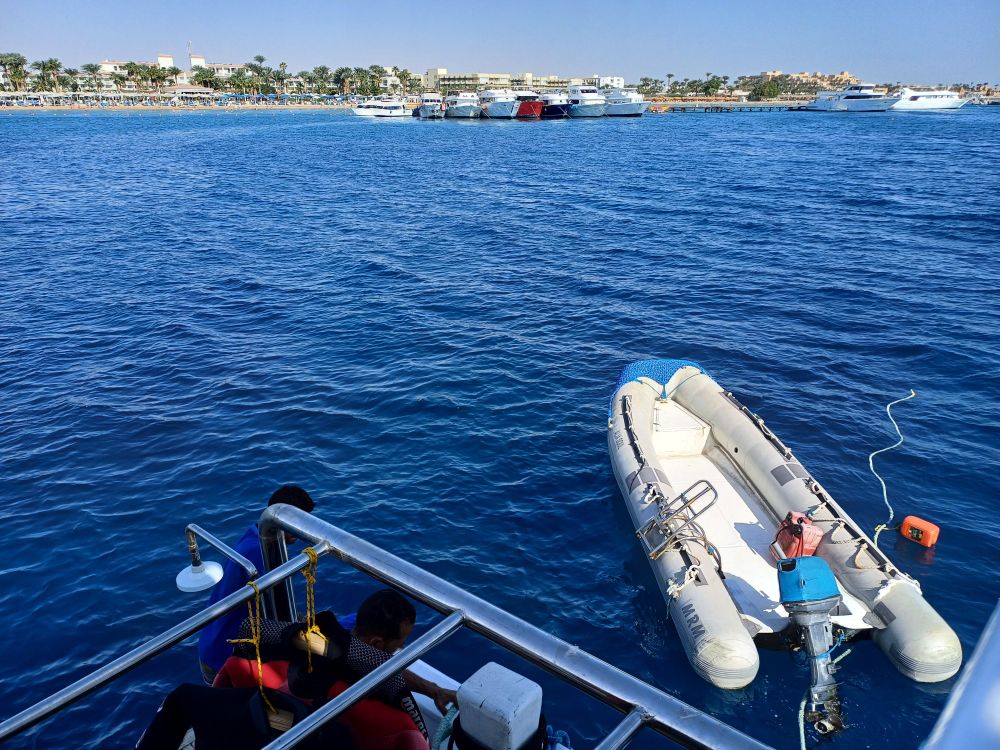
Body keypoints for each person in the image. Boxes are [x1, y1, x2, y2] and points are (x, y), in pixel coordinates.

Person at [198, 484, 316, 684]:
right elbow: (278, 615)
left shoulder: (255, 536)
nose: (302, 530)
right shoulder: (261, 556)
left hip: (210, 643)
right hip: (224, 655)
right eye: (299, 522)